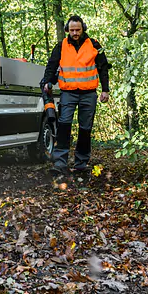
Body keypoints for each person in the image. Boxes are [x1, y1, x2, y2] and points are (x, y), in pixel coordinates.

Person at [40, 14, 111, 174]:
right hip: (68, 93)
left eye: (77, 30)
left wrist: (105, 90)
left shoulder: (94, 44)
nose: (75, 33)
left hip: (89, 94)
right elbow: (52, 65)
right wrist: (47, 81)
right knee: (64, 125)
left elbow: (103, 67)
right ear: (67, 30)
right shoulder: (61, 46)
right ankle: (60, 163)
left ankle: (81, 163)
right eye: (72, 30)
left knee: (85, 128)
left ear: (83, 28)